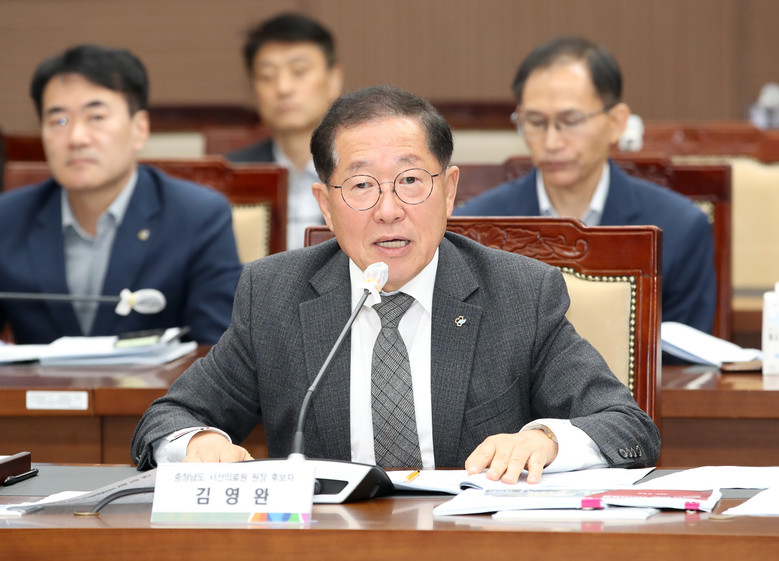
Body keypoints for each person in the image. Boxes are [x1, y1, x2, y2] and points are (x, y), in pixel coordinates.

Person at [132, 85, 659, 484]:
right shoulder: (275, 295)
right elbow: (168, 418)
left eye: (410, 181)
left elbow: (626, 427)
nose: (388, 210)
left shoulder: (519, 294)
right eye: (361, 185)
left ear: (448, 191)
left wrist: (546, 440)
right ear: (325, 205)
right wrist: (196, 443)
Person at [455, 36, 716, 334]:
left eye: (571, 121)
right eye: (536, 122)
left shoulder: (679, 227)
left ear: (616, 122)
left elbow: (684, 357)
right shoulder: (473, 228)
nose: (552, 142)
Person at [0, 45, 242, 345]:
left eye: (96, 117)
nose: (76, 138)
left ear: (140, 129)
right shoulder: (8, 219)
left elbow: (217, 349)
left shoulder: (198, 217)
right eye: (59, 121)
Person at [227, 13, 343, 250]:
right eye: (267, 76)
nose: (283, 88)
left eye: (299, 71)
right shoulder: (230, 176)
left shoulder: (363, 172)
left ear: (334, 80)